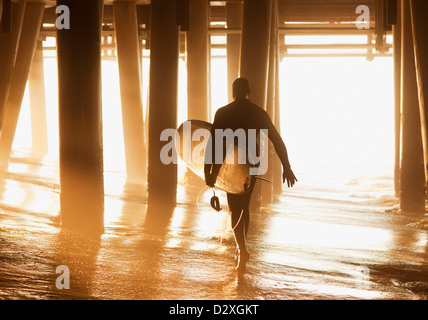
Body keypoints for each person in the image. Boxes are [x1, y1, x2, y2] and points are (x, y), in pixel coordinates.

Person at [204, 78, 297, 272]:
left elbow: (212, 144)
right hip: (251, 164)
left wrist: (208, 170)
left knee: (234, 207)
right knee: (244, 206)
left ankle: (242, 248)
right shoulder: (258, 113)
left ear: (232, 92)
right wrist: (286, 167)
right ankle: (242, 246)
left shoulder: (223, 112)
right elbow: (278, 141)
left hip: (229, 163)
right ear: (249, 91)